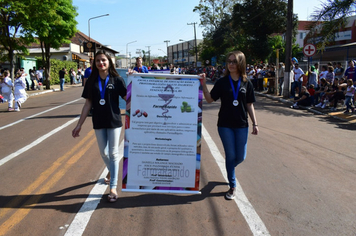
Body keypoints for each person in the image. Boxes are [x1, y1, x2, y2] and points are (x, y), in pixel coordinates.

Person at [199, 51, 259, 200]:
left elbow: (249, 105)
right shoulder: (222, 82)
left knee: (240, 157)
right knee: (231, 155)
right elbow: (210, 99)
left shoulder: (247, 82)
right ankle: (232, 186)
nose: (231, 64)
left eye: (234, 61)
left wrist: (255, 123)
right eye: (229, 61)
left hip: (242, 125)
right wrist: (204, 85)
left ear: (241, 63)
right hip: (225, 125)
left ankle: (229, 168)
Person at [72, 50, 127, 203]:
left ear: (109, 62)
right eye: (98, 61)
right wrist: (79, 125)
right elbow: (87, 104)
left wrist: (135, 79)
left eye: (103, 60)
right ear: (94, 63)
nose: (101, 63)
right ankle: (111, 171)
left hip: (114, 121)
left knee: (113, 153)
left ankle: (113, 187)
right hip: (98, 121)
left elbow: (127, 97)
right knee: (103, 152)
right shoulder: (91, 81)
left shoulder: (117, 79)